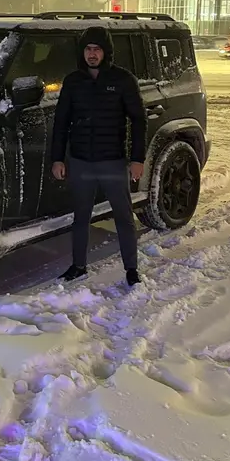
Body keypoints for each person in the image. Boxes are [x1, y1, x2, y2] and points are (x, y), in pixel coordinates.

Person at [51, 26, 147, 286]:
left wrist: (137, 159)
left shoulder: (123, 80)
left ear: (106, 52)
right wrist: (57, 158)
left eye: (97, 49)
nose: (92, 54)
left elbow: (139, 120)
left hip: (112, 161)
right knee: (80, 217)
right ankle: (78, 265)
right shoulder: (73, 82)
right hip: (81, 160)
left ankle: (131, 269)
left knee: (123, 217)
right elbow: (61, 122)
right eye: (88, 49)